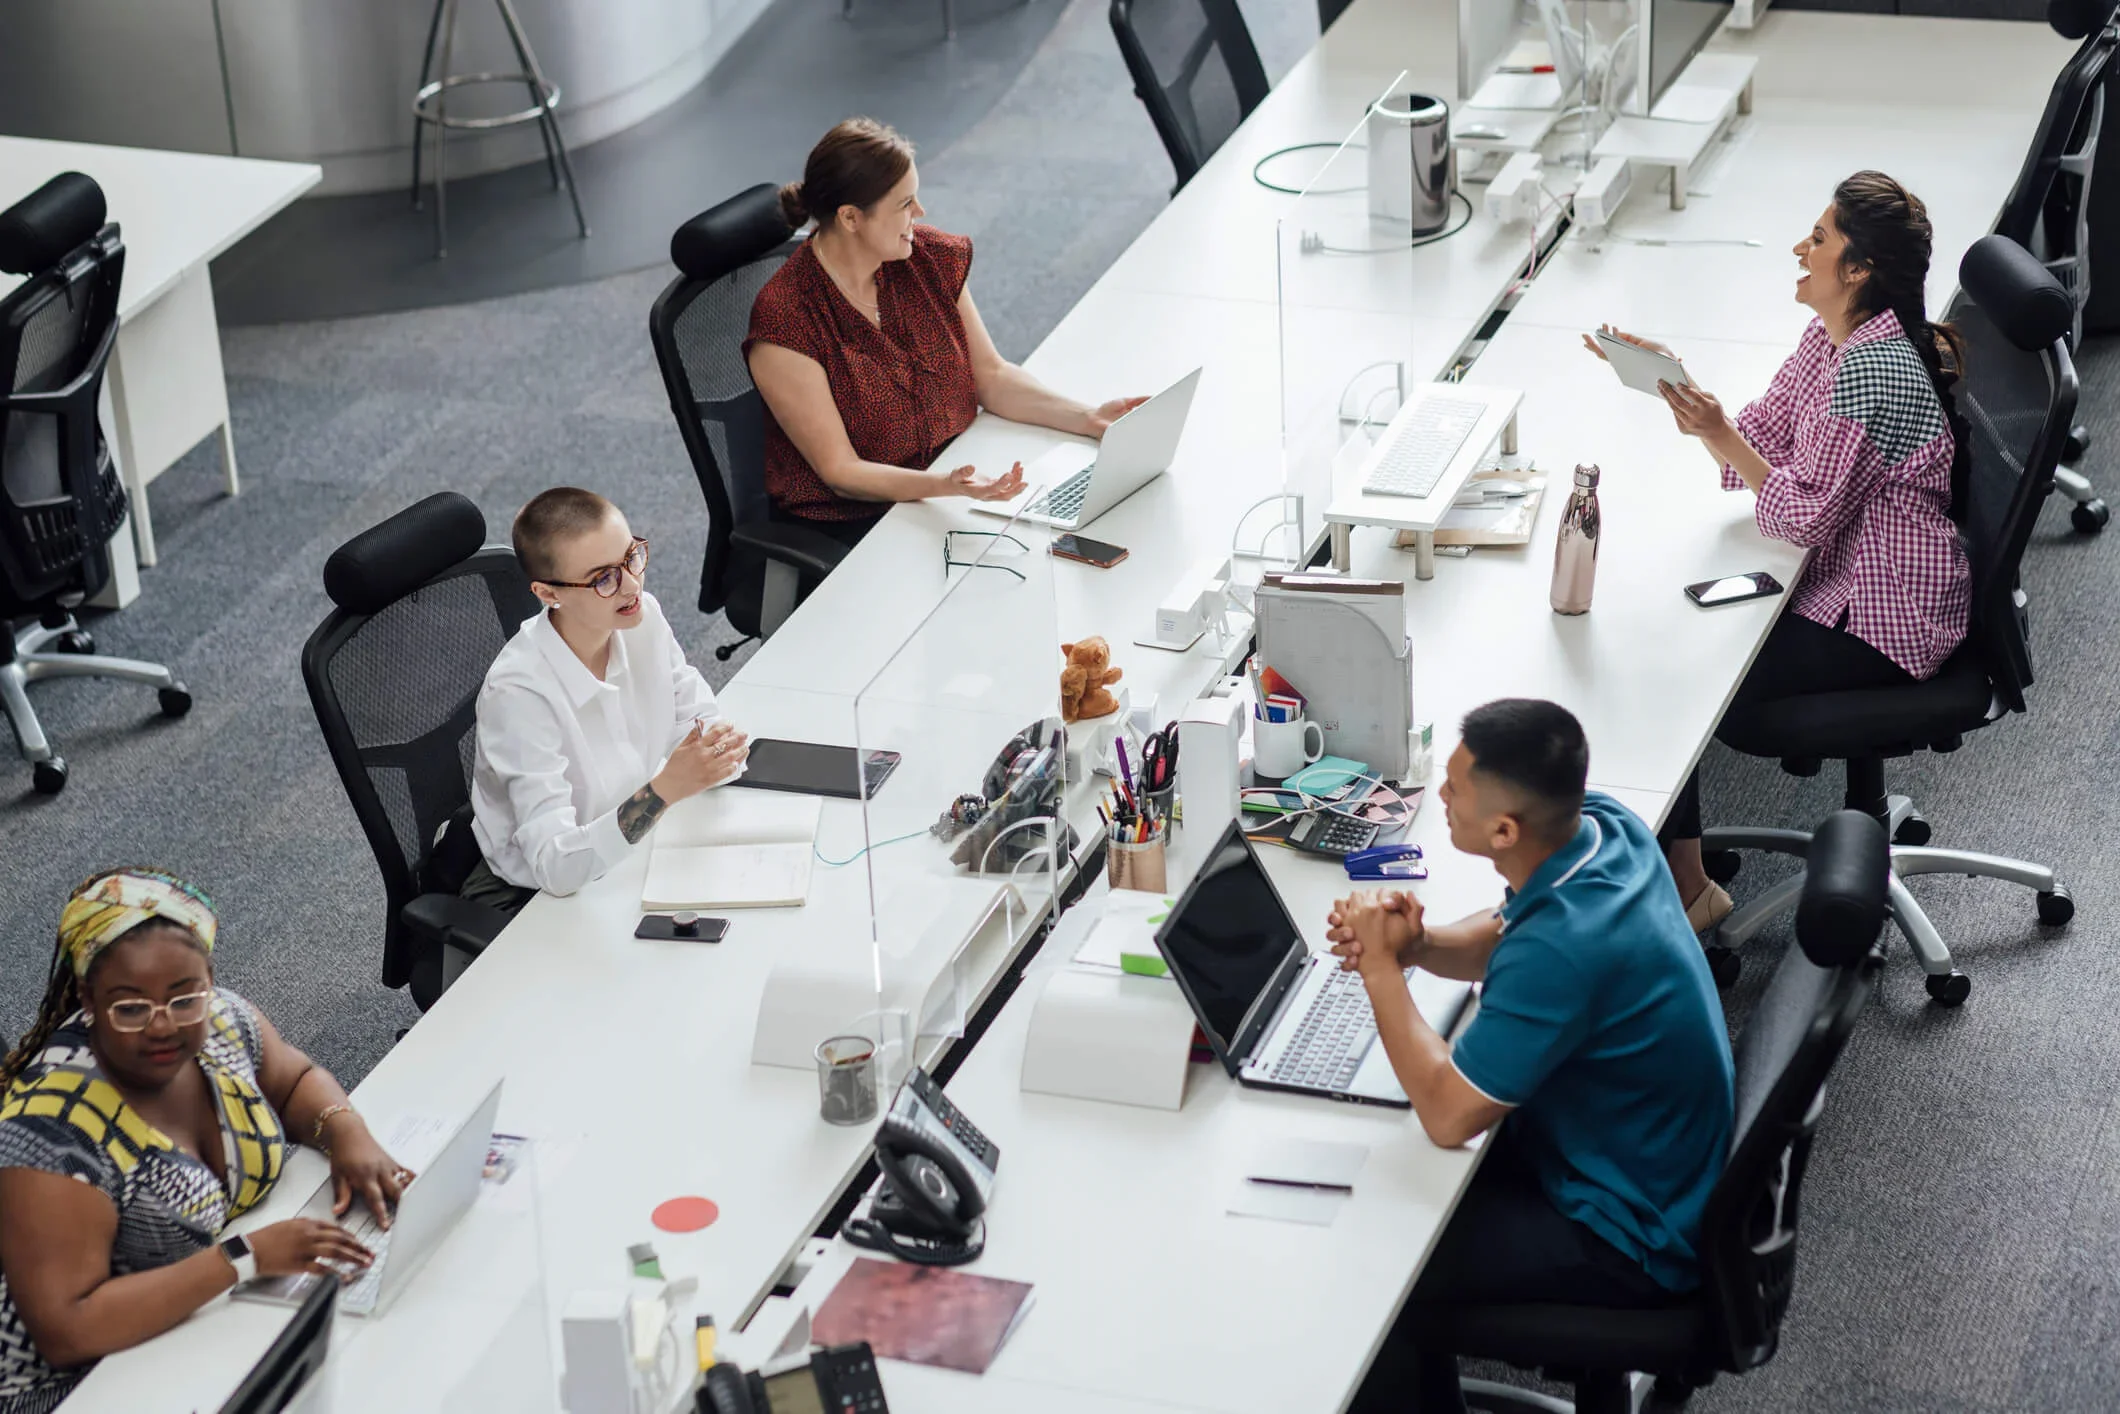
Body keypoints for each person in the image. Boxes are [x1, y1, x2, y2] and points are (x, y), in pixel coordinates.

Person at [1590, 170, 1971, 933]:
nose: (1801, 248)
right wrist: (1682, 389)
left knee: (1682, 678)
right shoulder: (1830, 337)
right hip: (1848, 577)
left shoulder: (1872, 366)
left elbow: (1807, 518)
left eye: (1820, 239)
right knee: (1680, 650)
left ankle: (1688, 890)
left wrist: (1718, 433)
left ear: (1858, 270)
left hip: (1890, 615)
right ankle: (1682, 877)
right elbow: (1761, 438)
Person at [1330, 701, 1733, 1414]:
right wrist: (1416, 947)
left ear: (1504, 830)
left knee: (1374, 1262)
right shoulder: (1607, 830)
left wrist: (1382, 974)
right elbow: (1507, 930)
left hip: (1626, 1231)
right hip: (1654, 1163)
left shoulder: (1565, 949)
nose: (1441, 800)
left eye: (1453, 791)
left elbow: (1450, 1113)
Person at [0, 870, 406, 1413]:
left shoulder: (219, 1019)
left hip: (208, 1318)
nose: (163, 1025)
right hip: (83, 1385)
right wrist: (245, 1257)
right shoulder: (51, 1131)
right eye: (131, 1007)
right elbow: (69, 1327)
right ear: (87, 999)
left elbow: (292, 1082)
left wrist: (346, 1130)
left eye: (184, 996)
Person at [744, 117, 1150, 546]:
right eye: (904, 204)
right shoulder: (786, 319)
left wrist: (1087, 418)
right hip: (859, 523)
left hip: (954, 480)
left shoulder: (926, 257)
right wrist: (946, 486)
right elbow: (841, 473)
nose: (919, 213)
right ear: (850, 217)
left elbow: (990, 376)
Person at [469, 487, 750, 909]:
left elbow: (698, 720)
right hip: (536, 896)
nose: (632, 584)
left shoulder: (643, 618)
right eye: (604, 578)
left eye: (631, 556)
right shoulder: (518, 696)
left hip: (631, 850)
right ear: (548, 594)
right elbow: (554, 867)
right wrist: (665, 789)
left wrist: (712, 756)